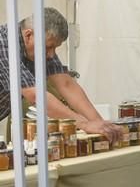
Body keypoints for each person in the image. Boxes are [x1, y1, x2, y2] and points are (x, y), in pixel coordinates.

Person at [0, 7, 122, 142]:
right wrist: (84, 124)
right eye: (49, 47)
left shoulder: (41, 48)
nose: (51, 54)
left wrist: (100, 125)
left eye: (55, 48)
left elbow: (66, 84)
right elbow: (35, 95)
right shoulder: (4, 44)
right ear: (29, 35)